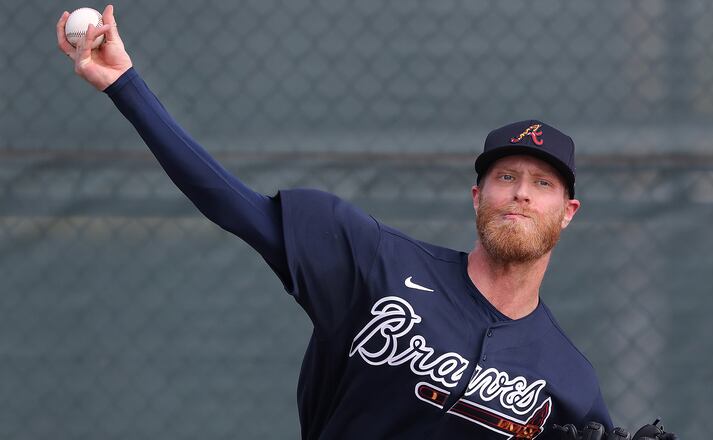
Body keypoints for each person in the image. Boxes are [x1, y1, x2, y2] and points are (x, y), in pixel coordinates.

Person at [56, 6, 677, 440]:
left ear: (567, 212)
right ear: (476, 196)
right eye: (506, 177)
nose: (520, 194)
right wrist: (125, 85)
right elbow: (230, 202)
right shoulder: (377, 265)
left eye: (542, 184)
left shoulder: (570, 383)